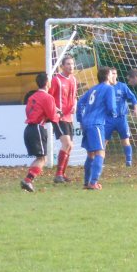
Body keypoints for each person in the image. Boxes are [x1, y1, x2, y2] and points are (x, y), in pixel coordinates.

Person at [77, 66, 117, 190]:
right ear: (107, 76)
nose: (112, 77)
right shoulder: (109, 88)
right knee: (101, 152)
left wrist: (80, 119)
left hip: (87, 123)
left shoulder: (93, 89)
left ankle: (86, 183)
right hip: (96, 123)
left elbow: (79, 103)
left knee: (91, 154)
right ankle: (93, 182)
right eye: (111, 75)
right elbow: (111, 108)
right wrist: (113, 115)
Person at [20, 73, 60, 192]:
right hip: (37, 129)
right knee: (42, 159)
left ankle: (28, 181)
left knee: (40, 158)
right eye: (50, 80)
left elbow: (31, 112)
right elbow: (53, 117)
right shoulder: (48, 97)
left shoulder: (32, 97)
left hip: (28, 129)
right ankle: (27, 180)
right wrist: (59, 115)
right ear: (47, 83)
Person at [49, 54, 78, 183]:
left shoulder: (74, 79)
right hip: (59, 117)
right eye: (68, 64)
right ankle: (58, 174)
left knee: (69, 146)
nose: (71, 66)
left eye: (72, 64)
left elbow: (75, 96)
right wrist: (56, 110)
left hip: (69, 117)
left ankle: (62, 174)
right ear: (62, 66)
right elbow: (49, 98)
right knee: (67, 143)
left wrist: (75, 105)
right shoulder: (57, 80)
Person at [105, 68, 137, 167]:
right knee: (104, 140)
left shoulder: (122, 86)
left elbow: (132, 98)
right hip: (109, 118)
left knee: (125, 140)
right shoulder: (105, 87)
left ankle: (129, 162)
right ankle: (99, 159)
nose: (113, 75)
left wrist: (136, 109)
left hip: (121, 118)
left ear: (117, 75)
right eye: (111, 74)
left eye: (115, 73)